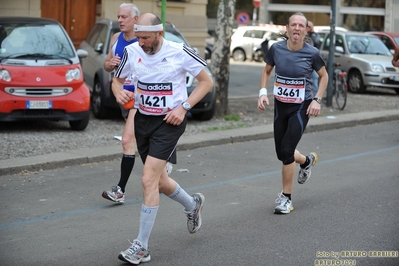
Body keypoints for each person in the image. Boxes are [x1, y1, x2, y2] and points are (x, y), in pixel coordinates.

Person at [113, 13, 213, 264]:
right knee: (159, 181)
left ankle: (141, 247)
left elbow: (206, 82)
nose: (141, 42)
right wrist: (118, 94)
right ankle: (192, 205)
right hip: (143, 121)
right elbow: (117, 79)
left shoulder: (179, 51)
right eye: (138, 37)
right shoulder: (132, 51)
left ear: (160, 34)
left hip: (170, 121)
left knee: (148, 179)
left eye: (146, 37)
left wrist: (184, 107)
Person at [257, 12, 328, 214]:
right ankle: (306, 161)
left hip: (301, 106)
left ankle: (286, 199)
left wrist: (317, 100)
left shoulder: (312, 53)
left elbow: (324, 77)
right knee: (282, 153)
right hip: (281, 106)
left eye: (301, 25)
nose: (297, 28)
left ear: (306, 30)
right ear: (287, 28)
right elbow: (267, 71)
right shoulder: (276, 49)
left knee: (287, 151)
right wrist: (262, 93)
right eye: (293, 25)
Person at [101, 3, 141, 204]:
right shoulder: (116, 38)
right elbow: (107, 65)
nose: (120, 20)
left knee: (127, 140)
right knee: (141, 139)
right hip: (122, 97)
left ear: (135, 19)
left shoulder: (144, 41)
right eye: (119, 16)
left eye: (124, 16)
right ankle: (163, 164)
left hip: (140, 99)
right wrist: (111, 64)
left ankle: (120, 191)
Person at [306, 21, 321, 96]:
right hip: (305, 61)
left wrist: (311, 33)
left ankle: (316, 98)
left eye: (309, 26)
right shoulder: (303, 35)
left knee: (315, 80)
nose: (307, 28)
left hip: (313, 61)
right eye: (306, 26)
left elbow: (317, 42)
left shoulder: (315, 35)